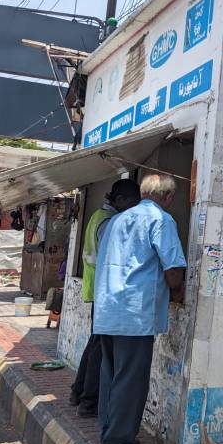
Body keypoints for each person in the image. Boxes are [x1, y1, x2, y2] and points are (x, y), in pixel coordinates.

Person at [93, 175, 186, 444]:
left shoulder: (117, 220)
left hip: (108, 309)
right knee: (131, 382)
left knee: (112, 378)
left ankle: (109, 437)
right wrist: (178, 291)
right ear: (168, 197)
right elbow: (173, 271)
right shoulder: (162, 220)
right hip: (135, 314)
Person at [69, 179, 141, 418]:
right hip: (105, 292)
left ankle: (78, 392)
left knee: (95, 344)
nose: (133, 208)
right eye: (131, 203)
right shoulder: (109, 222)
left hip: (97, 289)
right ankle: (88, 401)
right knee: (99, 348)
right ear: (119, 200)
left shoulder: (97, 216)